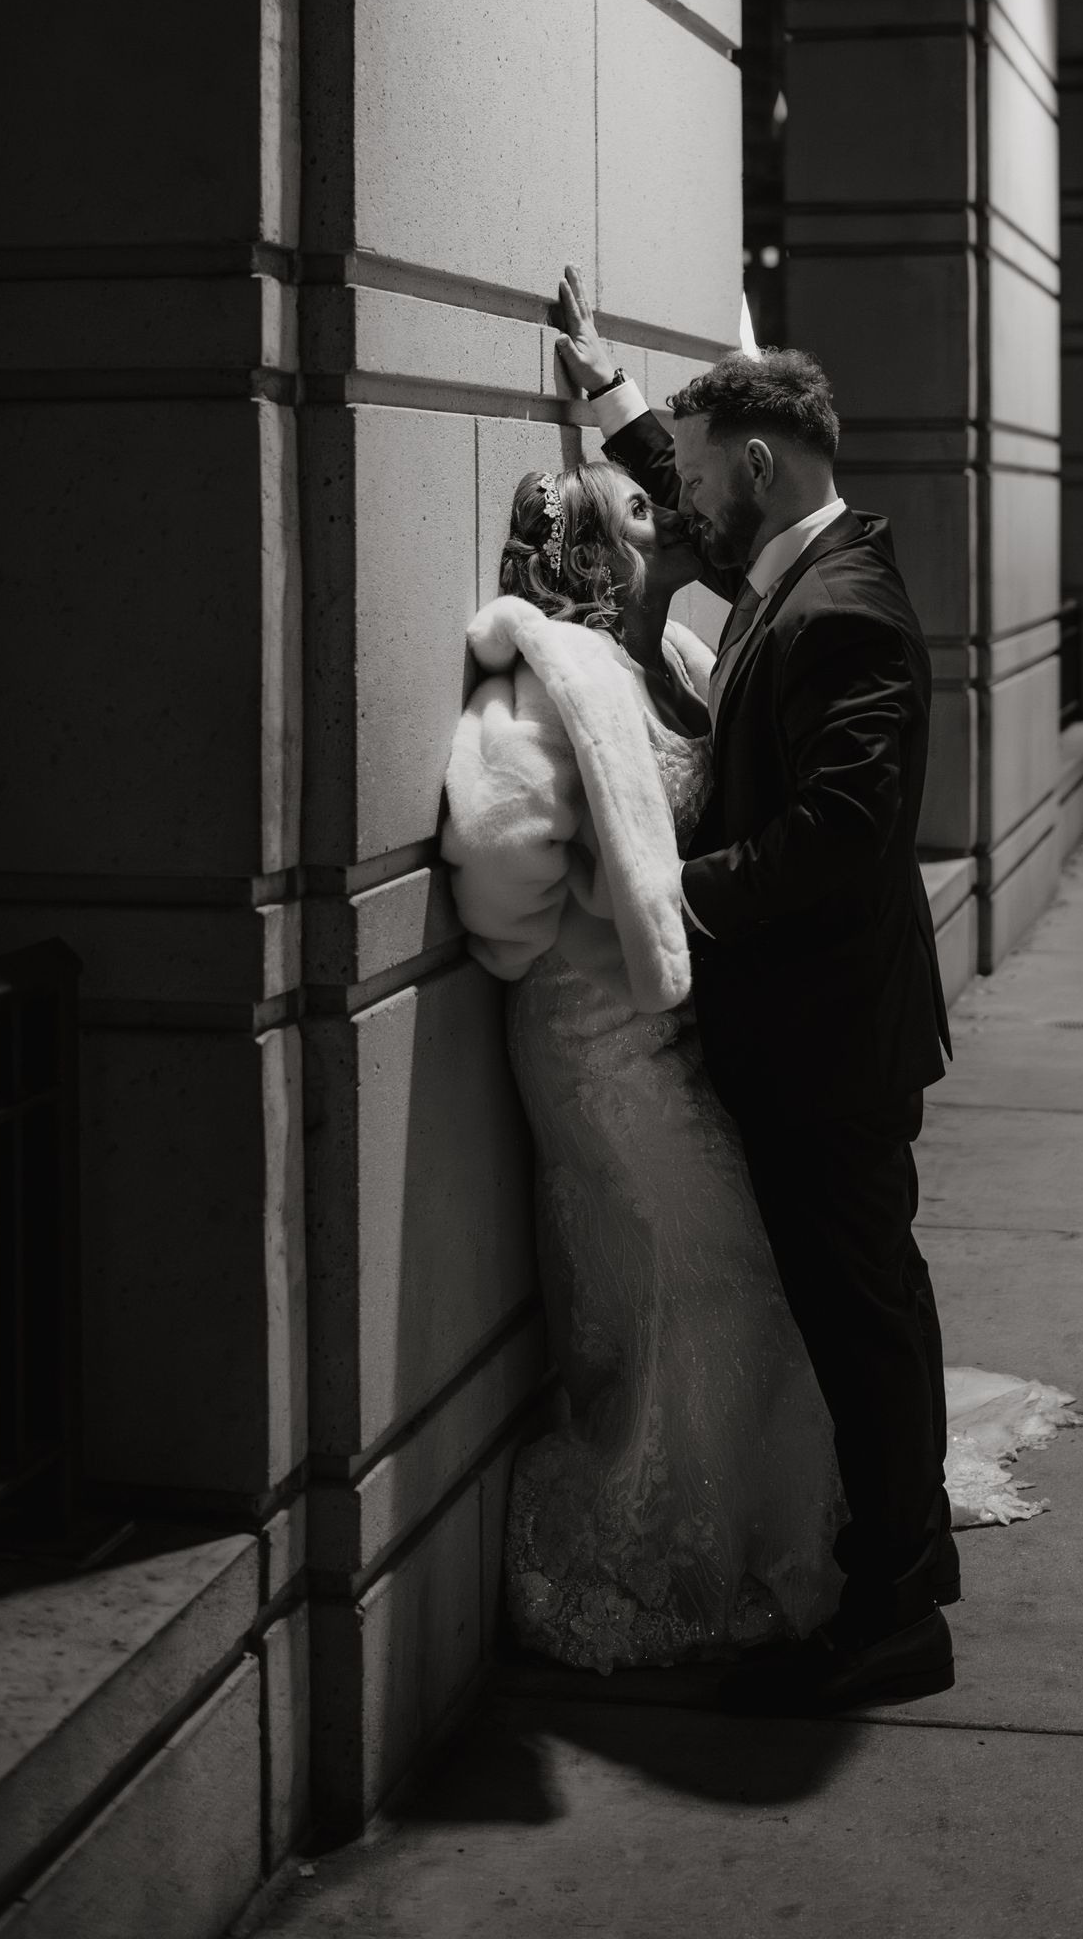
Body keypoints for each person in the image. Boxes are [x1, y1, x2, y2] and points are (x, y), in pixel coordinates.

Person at [552, 265, 961, 1715]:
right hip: (823, 1028)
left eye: (714, 485)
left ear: (769, 467)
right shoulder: (796, 568)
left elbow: (844, 839)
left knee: (862, 1312)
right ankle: (916, 1557)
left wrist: (671, 898)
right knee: (865, 1305)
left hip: (832, 1039)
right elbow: (697, 488)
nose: (691, 518)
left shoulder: (844, 613)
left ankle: (902, 1611)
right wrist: (615, 403)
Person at [440, 459, 843, 1673]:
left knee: (725, 1273)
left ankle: (757, 1507)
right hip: (593, 1037)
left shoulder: (659, 659)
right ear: (592, 552)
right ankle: (668, 1531)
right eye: (634, 508)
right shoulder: (548, 682)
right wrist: (569, 943)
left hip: (675, 1031)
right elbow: (502, 856)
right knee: (701, 1273)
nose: (664, 513)